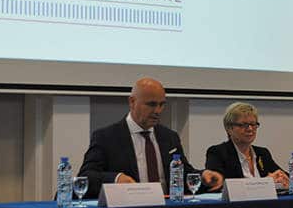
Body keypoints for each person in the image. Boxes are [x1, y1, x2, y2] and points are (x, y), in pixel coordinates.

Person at [76, 77, 223, 198]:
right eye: (151, 104)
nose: (158, 110)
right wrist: (116, 178)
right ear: (132, 102)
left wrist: (203, 175)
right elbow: (86, 176)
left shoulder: (169, 137)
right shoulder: (107, 137)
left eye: (162, 105)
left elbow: (181, 173)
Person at [205, 102, 289, 188]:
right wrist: (266, 182)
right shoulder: (218, 153)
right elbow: (219, 185)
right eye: (244, 125)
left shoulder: (262, 153)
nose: (250, 129)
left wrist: (282, 179)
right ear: (229, 128)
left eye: (253, 124)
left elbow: (286, 177)